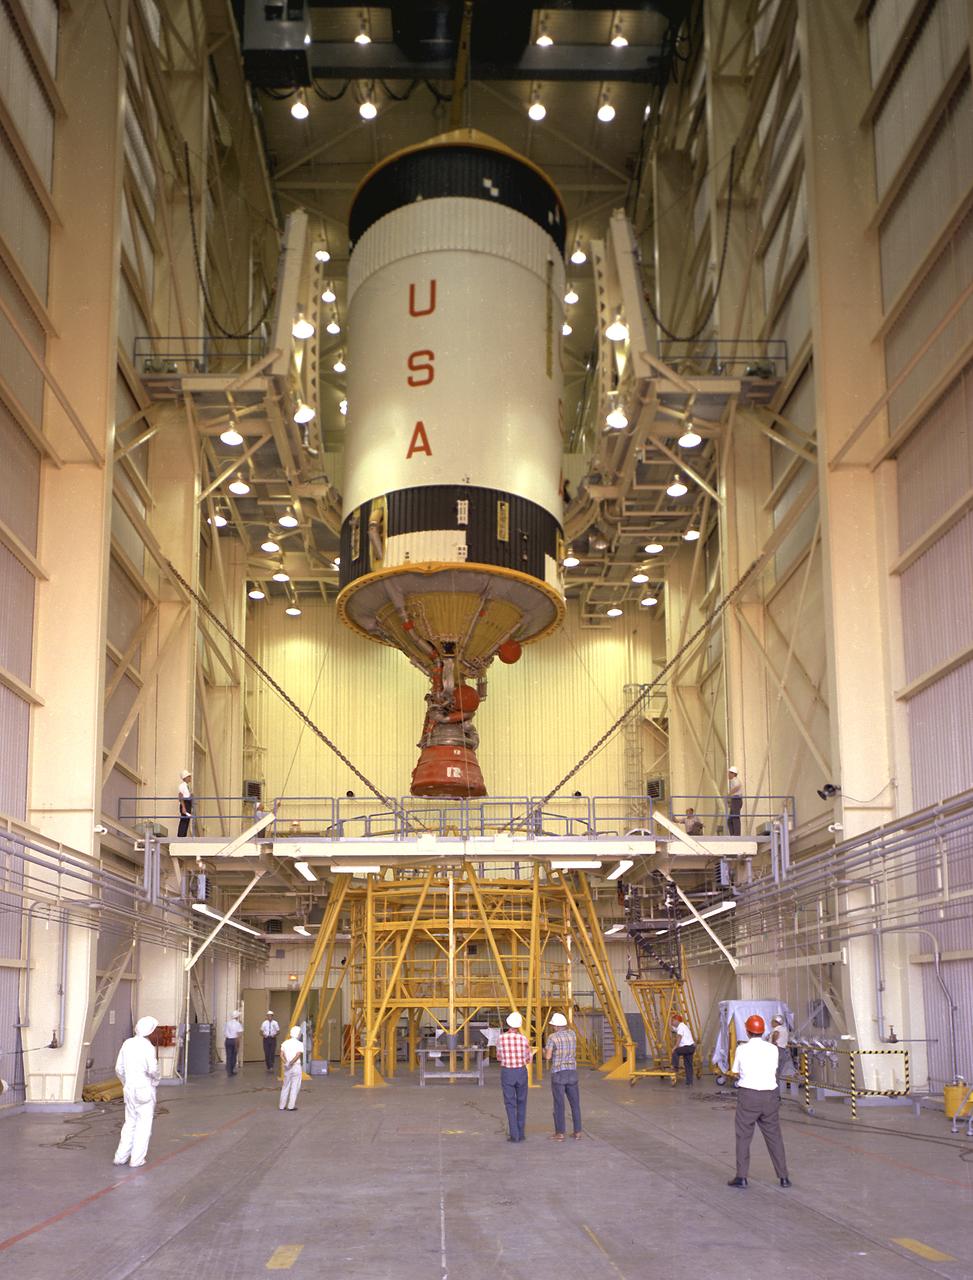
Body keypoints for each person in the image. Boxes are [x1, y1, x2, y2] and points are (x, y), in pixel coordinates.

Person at [727, 1013, 791, 1188]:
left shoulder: (742, 1049)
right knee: (774, 1137)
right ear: (763, 1031)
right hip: (770, 1097)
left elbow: (735, 1071)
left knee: (743, 1136)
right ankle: (783, 1177)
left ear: (747, 1032)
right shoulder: (772, 1049)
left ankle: (741, 1177)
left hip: (749, 1096)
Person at [113, 1015, 161, 1168]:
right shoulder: (147, 1047)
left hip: (129, 1091)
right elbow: (153, 1069)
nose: (157, 1034)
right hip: (144, 1091)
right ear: (150, 1031)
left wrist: (126, 1083)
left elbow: (118, 1068)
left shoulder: (128, 1043)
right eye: (156, 1030)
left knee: (129, 1124)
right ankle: (137, 1159)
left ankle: (120, 1157)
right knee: (143, 1126)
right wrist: (156, 1080)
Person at [544, 1012, 582, 1140]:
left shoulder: (552, 1037)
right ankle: (577, 1132)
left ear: (555, 1026)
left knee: (559, 1104)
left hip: (559, 1073)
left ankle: (560, 1133)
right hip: (572, 1072)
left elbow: (548, 1056)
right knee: (575, 1103)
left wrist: (546, 1050)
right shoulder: (572, 1034)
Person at [497, 1011, 533, 1142]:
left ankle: (514, 1135)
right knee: (522, 1102)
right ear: (518, 1026)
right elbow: (528, 1058)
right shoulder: (524, 1039)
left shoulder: (501, 1038)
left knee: (510, 1103)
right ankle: (521, 1133)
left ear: (508, 1024)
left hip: (507, 1073)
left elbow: (499, 1057)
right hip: (521, 1072)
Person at [279, 1026, 304, 1111]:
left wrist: (286, 1062)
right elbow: (298, 1055)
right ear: (297, 1034)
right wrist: (291, 1063)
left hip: (286, 1067)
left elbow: (281, 1055)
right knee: (295, 1086)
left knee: (285, 1086)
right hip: (296, 1066)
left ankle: (281, 1106)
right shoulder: (299, 1044)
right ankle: (290, 1106)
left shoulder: (285, 1043)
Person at [670, 1013, 696, 1086]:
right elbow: (671, 1029)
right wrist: (669, 1019)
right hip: (691, 1048)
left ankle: (675, 1067)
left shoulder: (681, 1027)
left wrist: (675, 1047)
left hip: (687, 1047)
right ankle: (689, 1082)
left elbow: (679, 1037)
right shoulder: (682, 1026)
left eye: (673, 1020)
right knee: (688, 1065)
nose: (672, 1022)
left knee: (675, 1051)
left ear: (677, 1020)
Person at [770, 1014, 791, 1089]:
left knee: (774, 1073)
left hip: (777, 1050)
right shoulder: (784, 1029)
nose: (771, 1023)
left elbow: (776, 1034)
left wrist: (773, 1042)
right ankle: (777, 1094)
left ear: (776, 1022)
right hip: (783, 1051)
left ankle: (774, 1094)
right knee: (778, 1073)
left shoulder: (777, 1029)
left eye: (772, 1021)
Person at [224, 1009, 243, 1076]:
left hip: (227, 1040)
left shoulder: (227, 1023)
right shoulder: (238, 1024)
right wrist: (237, 1045)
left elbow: (225, 1033)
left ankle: (228, 1071)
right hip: (234, 1040)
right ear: (237, 1017)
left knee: (228, 1056)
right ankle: (231, 1070)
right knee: (234, 1056)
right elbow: (239, 1035)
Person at [726, 767, 743, 835]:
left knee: (735, 817)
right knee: (730, 820)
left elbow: (738, 786)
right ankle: (733, 834)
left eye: (729, 773)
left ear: (733, 774)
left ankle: (736, 834)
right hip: (735, 800)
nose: (728, 775)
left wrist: (729, 794)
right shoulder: (733, 781)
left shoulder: (735, 780)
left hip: (736, 799)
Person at [177, 770, 193, 837]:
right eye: (189, 776)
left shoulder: (187, 786)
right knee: (184, 820)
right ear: (185, 777)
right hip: (185, 803)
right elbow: (180, 796)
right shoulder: (182, 786)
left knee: (186, 821)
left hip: (188, 803)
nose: (190, 777)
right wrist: (183, 807)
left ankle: (183, 836)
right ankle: (180, 836)